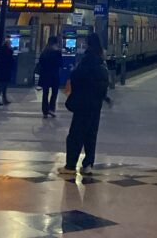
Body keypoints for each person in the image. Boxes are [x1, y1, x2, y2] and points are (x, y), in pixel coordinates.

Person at [59, 33, 109, 177]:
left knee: (75, 135)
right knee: (91, 136)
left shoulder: (88, 60)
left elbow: (77, 77)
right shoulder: (101, 60)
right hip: (96, 105)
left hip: (84, 104)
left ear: (88, 44)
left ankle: (70, 165)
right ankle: (88, 164)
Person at [37, 35, 63, 118]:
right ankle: (52, 109)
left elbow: (40, 63)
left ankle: (45, 111)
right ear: (55, 43)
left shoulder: (44, 52)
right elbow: (60, 64)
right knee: (54, 93)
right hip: (54, 75)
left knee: (45, 93)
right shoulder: (57, 52)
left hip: (45, 76)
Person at [0, 38, 14, 106]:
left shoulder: (1, 50)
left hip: (0, 70)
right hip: (5, 71)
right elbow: (11, 60)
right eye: (10, 44)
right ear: (8, 44)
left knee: (2, 85)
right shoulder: (9, 51)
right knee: (2, 86)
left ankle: (3, 99)